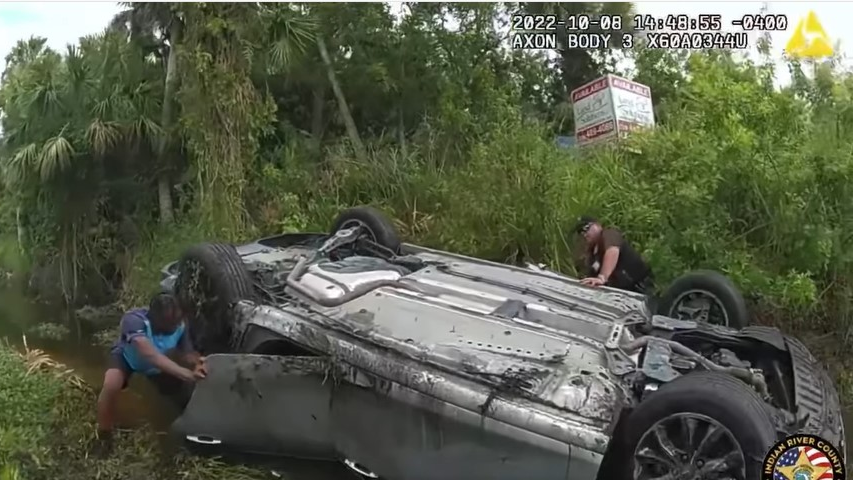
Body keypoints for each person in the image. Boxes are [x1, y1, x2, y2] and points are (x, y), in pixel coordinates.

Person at [96, 293, 206, 444]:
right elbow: (149, 354)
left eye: (176, 321)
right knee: (111, 384)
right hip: (128, 358)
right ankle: (104, 434)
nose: (174, 327)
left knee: (183, 396)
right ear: (154, 319)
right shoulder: (134, 320)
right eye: (168, 324)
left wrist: (198, 362)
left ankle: (188, 430)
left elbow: (187, 353)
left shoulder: (180, 325)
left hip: (157, 365)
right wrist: (185, 373)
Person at [574, 215, 655, 295]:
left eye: (586, 228)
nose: (585, 234)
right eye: (581, 232)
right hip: (621, 294)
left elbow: (612, 250)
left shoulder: (609, 234)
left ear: (597, 225)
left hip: (641, 287)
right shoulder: (592, 254)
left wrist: (602, 277)